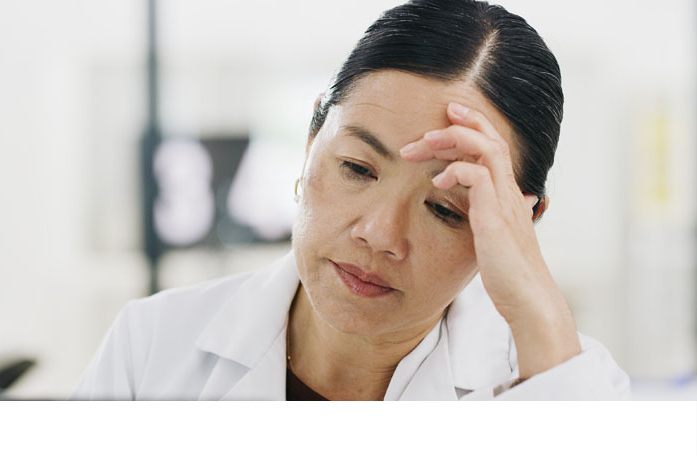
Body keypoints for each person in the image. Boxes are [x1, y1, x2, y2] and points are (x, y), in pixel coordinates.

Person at [73, 0, 630, 400]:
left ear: (515, 226)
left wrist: (538, 311)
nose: (379, 235)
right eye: (358, 168)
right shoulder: (149, 347)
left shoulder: (568, 382)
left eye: (445, 208)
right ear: (313, 139)